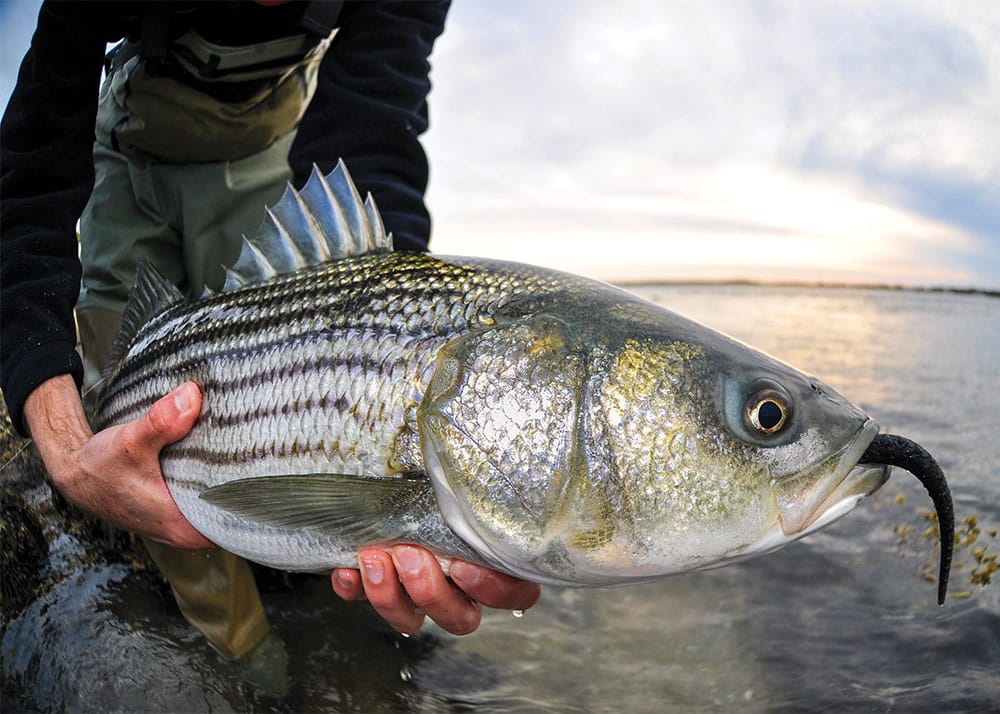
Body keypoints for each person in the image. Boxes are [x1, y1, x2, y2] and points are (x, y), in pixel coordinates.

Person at [1, 0, 540, 667]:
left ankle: (308, 605)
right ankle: (244, 651)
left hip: (264, 143)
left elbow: (371, 120)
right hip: (122, 146)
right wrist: (65, 448)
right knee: (131, 430)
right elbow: (31, 176)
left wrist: (394, 355)